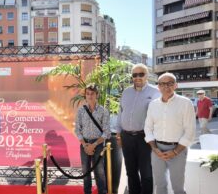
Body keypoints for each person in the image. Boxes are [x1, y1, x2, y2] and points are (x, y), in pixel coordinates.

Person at [144, 72, 196, 194]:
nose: (166, 87)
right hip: (157, 150)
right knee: (159, 185)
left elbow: (190, 131)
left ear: (176, 85)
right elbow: (148, 128)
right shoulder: (153, 104)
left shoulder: (185, 103)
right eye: (162, 84)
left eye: (170, 83)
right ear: (158, 87)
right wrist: (155, 148)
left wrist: (175, 151)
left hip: (178, 149)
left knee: (178, 187)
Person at [116, 63, 160, 194]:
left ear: (147, 76)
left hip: (144, 138)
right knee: (130, 172)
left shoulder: (155, 92)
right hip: (126, 137)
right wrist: (118, 134)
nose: (137, 77)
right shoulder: (126, 92)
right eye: (135, 75)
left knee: (146, 173)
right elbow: (120, 113)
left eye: (141, 74)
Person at [75, 84, 110, 194]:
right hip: (84, 144)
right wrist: (85, 145)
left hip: (98, 144)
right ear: (85, 95)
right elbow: (77, 130)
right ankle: (87, 192)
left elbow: (106, 132)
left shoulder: (103, 111)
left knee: (99, 171)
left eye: (92, 94)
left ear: (97, 95)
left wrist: (93, 145)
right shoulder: (81, 111)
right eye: (88, 94)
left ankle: (102, 192)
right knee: (85, 171)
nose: (90, 96)